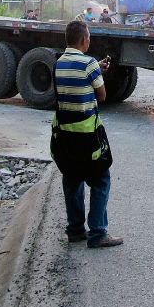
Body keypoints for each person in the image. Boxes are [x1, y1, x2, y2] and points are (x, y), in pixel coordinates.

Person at [52, 20, 122, 249]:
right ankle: (98, 233)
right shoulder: (89, 63)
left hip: (64, 133)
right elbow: (101, 95)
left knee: (72, 178)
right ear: (83, 40)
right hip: (87, 133)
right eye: (89, 37)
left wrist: (95, 70)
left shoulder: (59, 62)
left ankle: (75, 230)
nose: (89, 40)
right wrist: (97, 71)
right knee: (101, 180)